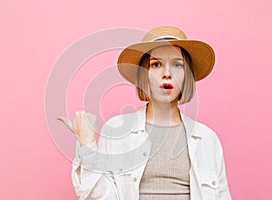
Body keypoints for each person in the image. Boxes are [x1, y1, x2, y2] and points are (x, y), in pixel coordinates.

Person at [57, 26, 232, 200]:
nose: (167, 73)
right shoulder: (115, 131)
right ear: (144, 75)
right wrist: (87, 146)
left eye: (177, 64)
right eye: (156, 64)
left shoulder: (208, 139)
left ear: (186, 75)